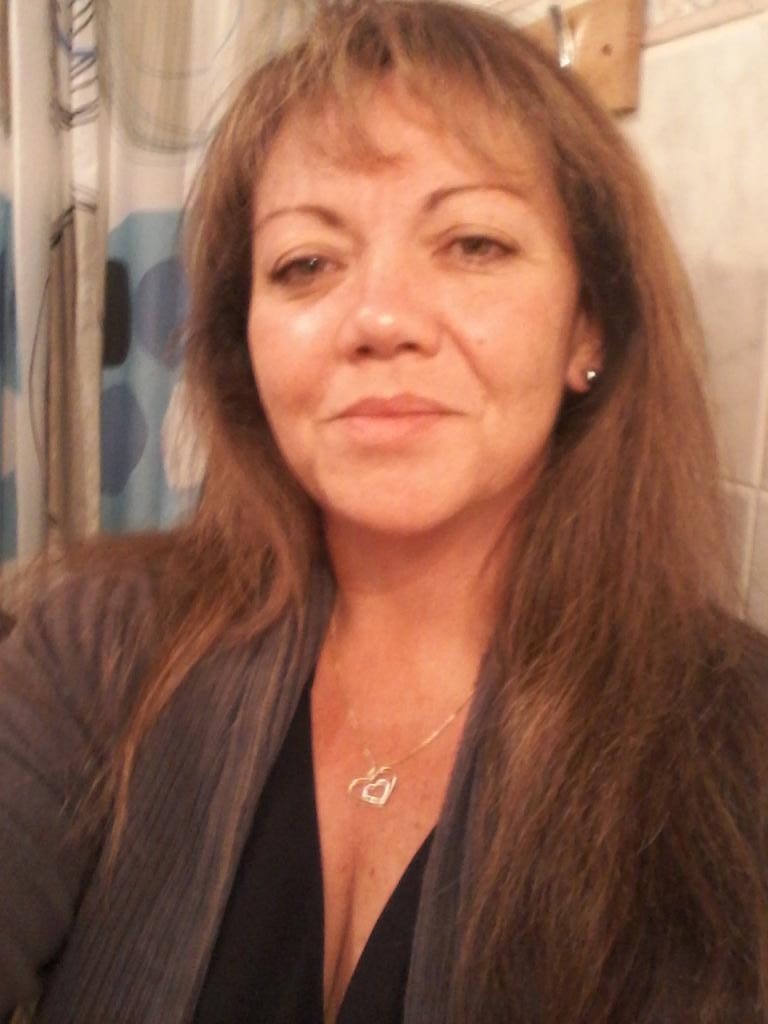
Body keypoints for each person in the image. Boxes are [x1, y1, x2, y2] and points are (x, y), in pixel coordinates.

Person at [2, 1, 768, 1022]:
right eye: (307, 264)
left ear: (588, 324)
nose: (379, 318)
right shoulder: (93, 646)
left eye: (473, 243)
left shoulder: (735, 743)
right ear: (247, 343)